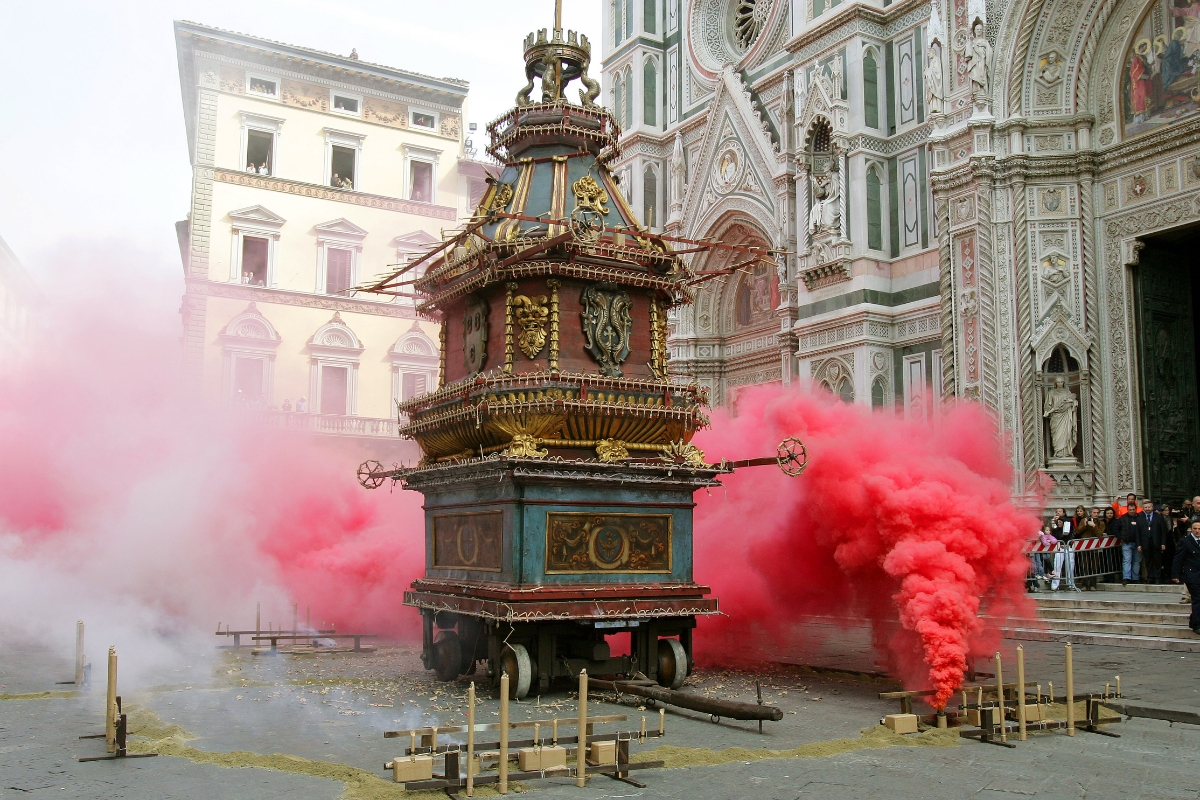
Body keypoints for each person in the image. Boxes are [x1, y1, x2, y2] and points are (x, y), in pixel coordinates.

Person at [1171, 520, 1200, 635]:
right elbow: (1178, 559)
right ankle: (1197, 625)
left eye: (1199, 529)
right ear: (1191, 529)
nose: (1197, 531)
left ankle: (1194, 620)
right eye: (1195, 529)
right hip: (1191, 575)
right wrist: (1175, 575)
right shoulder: (1185, 542)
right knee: (1197, 598)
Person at [1139, 500, 1170, 584]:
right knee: (1148, 561)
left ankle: (1157, 578)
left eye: (1149, 507)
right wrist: (1139, 544)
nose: (1147, 509)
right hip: (1145, 543)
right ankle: (1150, 577)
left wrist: (1163, 543)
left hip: (1156, 542)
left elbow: (1163, 531)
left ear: (1152, 508)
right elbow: (1138, 532)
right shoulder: (1140, 516)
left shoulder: (1158, 517)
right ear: (1143, 508)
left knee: (1157, 561)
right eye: (1146, 507)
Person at [1115, 500, 1144, 584]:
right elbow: (1116, 528)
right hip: (1127, 542)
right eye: (1130, 509)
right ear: (1128, 509)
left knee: (1137, 561)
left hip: (1138, 543)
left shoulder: (1140, 518)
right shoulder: (1123, 518)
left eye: (1133, 509)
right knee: (1127, 560)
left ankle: (1135, 578)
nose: (1132, 511)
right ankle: (1126, 577)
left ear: (1136, 509)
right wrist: (1121, 537)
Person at [1051, 513, 1079, 591]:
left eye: (1061, 522)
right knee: (1057, 566)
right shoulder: (1055, 530)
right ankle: (1055, 585)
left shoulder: (1068, 529)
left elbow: (1070, 537)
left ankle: (1071, 583)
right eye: (1058, 522)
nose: (1059, 523)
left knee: (1070, 565)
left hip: (1068, 547)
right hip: (1059, 548)